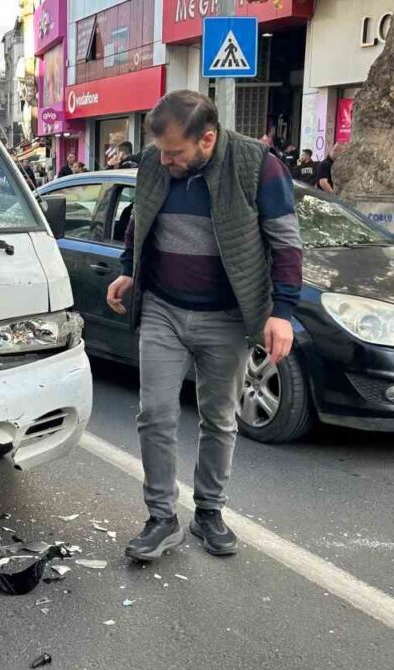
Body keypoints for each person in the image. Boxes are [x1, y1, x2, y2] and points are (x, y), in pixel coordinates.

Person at [105, 91, 303, 561]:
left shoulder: (258, 166)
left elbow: (287, 243)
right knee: (154, 413)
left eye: (175, 153)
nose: (165, 160)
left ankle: (209, 512)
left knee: (219, 418)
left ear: (208, 139)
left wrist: (284, 312)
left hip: (227, 318)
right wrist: (128, 269)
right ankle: (161, 519)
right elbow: (141, 220)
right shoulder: (156, 163)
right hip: (163, 310)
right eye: (161, 151)